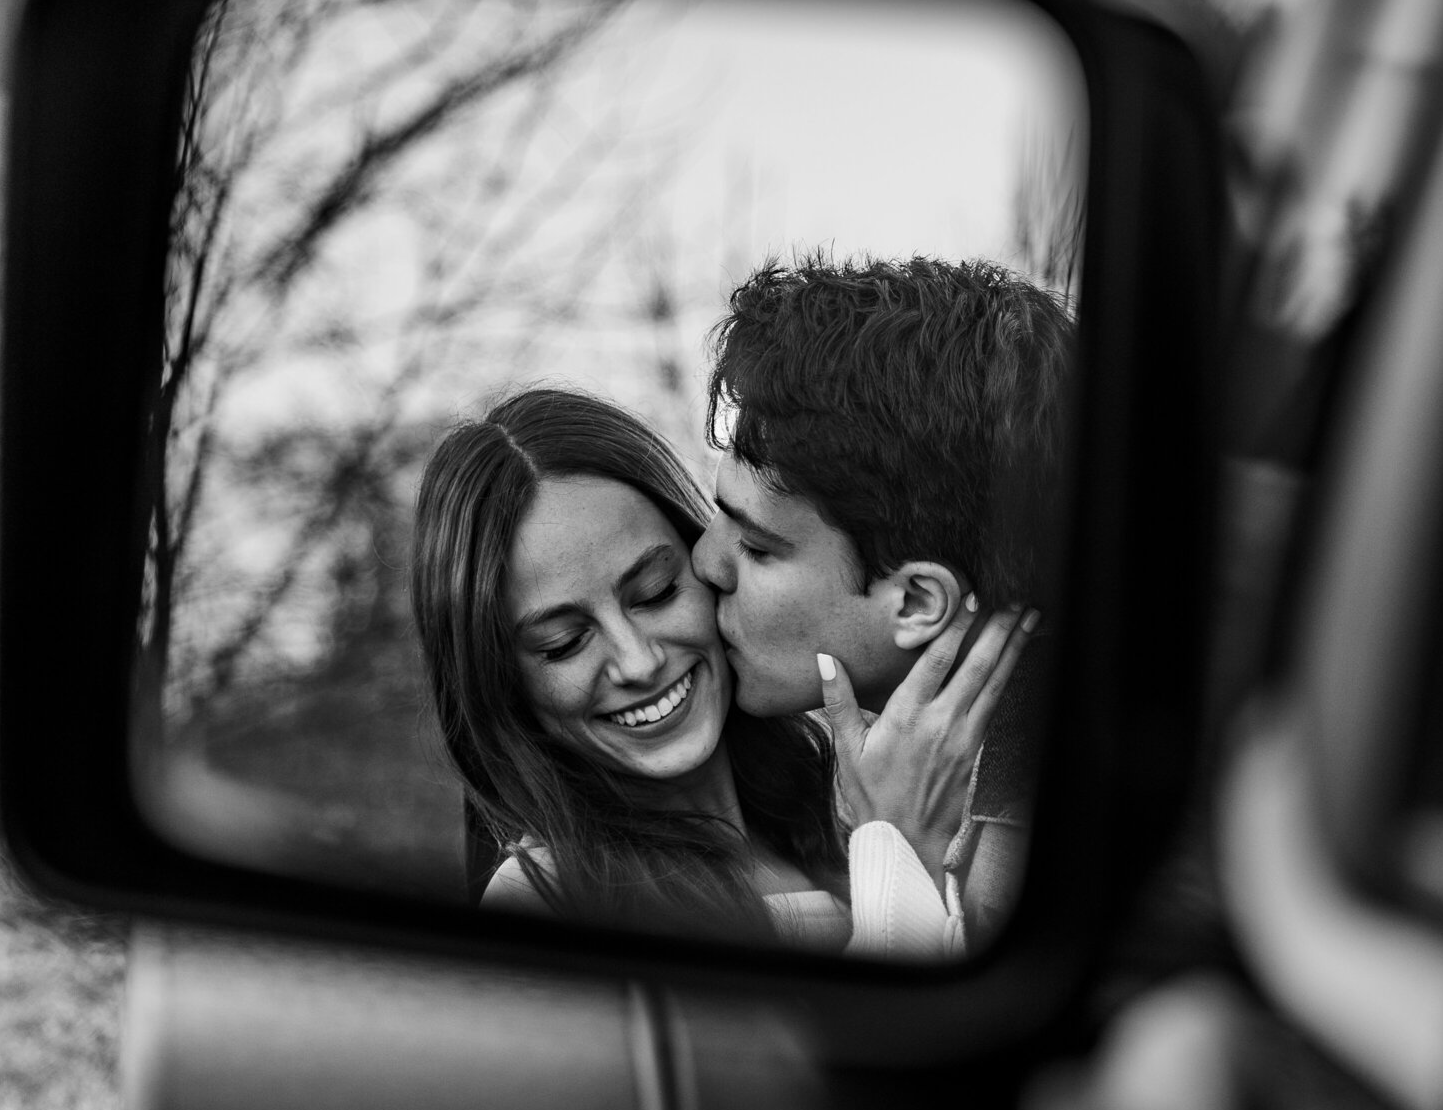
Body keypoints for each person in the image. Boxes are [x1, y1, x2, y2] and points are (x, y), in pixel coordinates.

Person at [411, 386, 1026, 955]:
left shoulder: (853, 796)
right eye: (564, 643)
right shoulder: (549, 897)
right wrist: (900, 856)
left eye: (655, 594)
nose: (639, 661)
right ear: (504, 684)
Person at [693, 254, 1074, 950]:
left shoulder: (1034, 863)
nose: (704, 562)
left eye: (757, 548)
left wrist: (896, 857)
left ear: (917, 602)